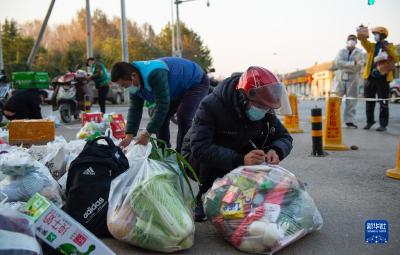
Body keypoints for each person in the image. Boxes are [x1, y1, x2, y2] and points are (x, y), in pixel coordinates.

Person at [181, 66, 293, 221]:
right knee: (213, 156)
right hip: (194, 155)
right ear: (243, 96)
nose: (264, 111)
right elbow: (200, 147)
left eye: (267, 108)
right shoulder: (211, 105)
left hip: (237, 146)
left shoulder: (264, 106)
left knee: (257, 158)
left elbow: (285, 137)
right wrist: (240, 160)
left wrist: (276, 150)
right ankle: (205, 195)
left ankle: (240, 192)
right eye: (260, 107)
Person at [111, 57, 209, 152]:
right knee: (159, 118)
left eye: (124, 85)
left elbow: (162, 105)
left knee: (183, 116)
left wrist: (147, 134)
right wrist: (129, 136)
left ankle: (183, 153)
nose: (125, 89)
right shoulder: (134, 83)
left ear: (133, 76)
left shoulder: (154, 74)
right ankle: (164, 151)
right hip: (176, 88)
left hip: (196, 81)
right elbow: (135, 109)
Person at [358, 26, 399, 131]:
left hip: (383, 78)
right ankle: (369, 121)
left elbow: (396, 57)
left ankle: (383, 125)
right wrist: (362, 35)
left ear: (382, 35)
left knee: (383, 101)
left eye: (376, 34)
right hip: (370, 77)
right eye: (374, 34)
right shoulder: (372, 46)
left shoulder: (390, 46)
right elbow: (364, 43)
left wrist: (387, 48)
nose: (374, 36)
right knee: (369, 101)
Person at [333, 34, 364, 128]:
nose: (351, 41)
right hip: (340, 78)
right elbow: (338, 63)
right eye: (350, 39)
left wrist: (346, 65)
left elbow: (359, 66)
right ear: (346, 41)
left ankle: (349, 121)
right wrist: (352, 64)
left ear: (356, 42)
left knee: (351, 101)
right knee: (336, 99)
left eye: (353, 39)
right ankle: (333, 119)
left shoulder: (359, 53)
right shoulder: (341, 51)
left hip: (353, 79)